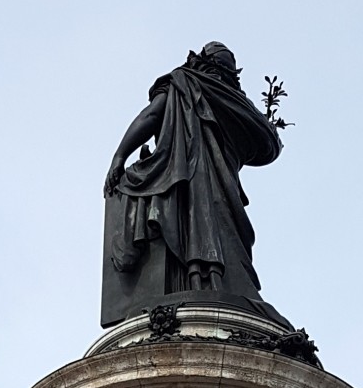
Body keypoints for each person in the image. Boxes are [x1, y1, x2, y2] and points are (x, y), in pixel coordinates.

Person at [101, 42, 284, 328]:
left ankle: (198, 280)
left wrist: (119, 156)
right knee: (216, 233)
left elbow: (150, 117)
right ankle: (208, 281)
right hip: (221, 193)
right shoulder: (234, 103)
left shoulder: (184, 83)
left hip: (188, 181)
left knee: (192, 222)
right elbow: (268, 144)